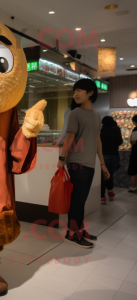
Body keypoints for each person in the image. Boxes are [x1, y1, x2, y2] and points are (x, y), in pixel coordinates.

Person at [57, 79, 110, 248]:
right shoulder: (75, 113)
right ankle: (72, 234)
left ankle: (76, 230)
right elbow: (70, 138)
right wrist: (62, 159)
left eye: (79, 90)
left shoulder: (96, 115)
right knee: (78, 201)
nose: (76, 94)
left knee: (81, 201)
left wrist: (102, 164)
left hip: (90, 164)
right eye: (74, 91)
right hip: (77, 163)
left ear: (90, 93)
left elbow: (97, 141)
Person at [100, 117, 122, 204]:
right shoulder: (116, 129)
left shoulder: (102, 130)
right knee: (110, 174)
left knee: (103, 176)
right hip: (114, 155)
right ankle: (110, 191)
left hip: (104, 155)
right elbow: (120, 142)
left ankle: (102, 196)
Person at [128, 115, 137, 193]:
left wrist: (131, 140)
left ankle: (134, 187)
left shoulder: (135, 130)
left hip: (136, 152)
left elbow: (133, 141)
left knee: (133, 170)